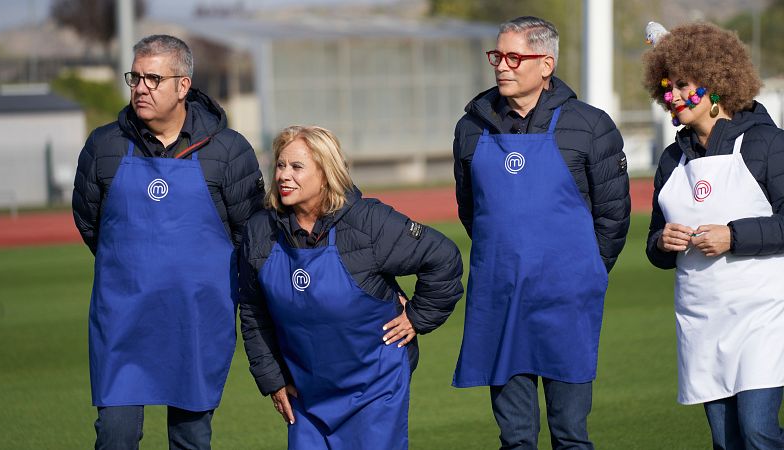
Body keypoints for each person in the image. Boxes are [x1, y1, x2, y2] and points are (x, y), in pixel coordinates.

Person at [71, 34, 265, 449]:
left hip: (197, 319)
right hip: (122, 320)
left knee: (191, 438)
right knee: (115, 435)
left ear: (183, 86)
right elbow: (91, 224)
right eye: (135, 77)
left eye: (153, 79)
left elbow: (250, 233)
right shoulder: (104, 145)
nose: (141, 88)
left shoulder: (229, 151)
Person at [452, 16, 631, 449]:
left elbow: (613, 216)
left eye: (515, 57)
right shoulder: (471, 127)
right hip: (499, 298)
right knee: (515, 438)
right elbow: (471, 210)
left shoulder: (590, 125)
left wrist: (585, 271)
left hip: (566, 299)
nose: (502, 66)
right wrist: (510, 262)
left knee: (570, 434)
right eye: (498, 56)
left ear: (546, 64)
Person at [238, 125, 463, 449]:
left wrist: (417, 317)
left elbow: (443, 258)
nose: (284, 175)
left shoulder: (367, 222)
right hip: (306, 391)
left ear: (326, 172)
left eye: (297, 167)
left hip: (374, 389)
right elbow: (253, 310)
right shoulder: (261, 231)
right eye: (281, 165)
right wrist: (272, 379)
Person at [643, 22, 784, 450]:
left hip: (763, 314)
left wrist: (734, 236)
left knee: (759, 431)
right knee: (726, 441)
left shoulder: (767, 143)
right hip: (701, 319)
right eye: (667, 87)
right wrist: (662, 243)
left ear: (717, 83)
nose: (674, 96)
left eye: (684, 85)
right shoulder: (672, 160)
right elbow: (654, 245)